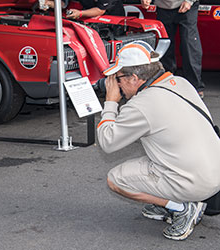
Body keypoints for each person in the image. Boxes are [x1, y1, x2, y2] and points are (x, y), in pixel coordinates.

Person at [97, 41, 220, 240]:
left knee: (116, 179)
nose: (115, 84)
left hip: (197, 182)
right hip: (214, 171)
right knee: (156, 151)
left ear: (134, 78)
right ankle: (172, 199)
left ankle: (181, 207)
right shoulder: (180, 82)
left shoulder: (141, 105)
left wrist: (110, 102)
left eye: (117, 78)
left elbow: (107, 141)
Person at [141, 0, 205, 98]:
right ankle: (167, 82)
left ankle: (195, 86)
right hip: (163, 6)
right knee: (165, 44)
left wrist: (189, 1)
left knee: (189, 44)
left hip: (186, 5)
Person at [45, 0, 125, 19]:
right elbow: (64, 4)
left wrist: (80, 13)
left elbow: (100, 10)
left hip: (113, 25)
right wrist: (49, 3)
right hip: (89, 21)